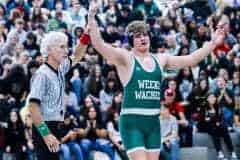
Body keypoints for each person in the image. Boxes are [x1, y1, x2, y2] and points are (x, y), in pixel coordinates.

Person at [87, 2, 225, 160]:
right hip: (132, 122)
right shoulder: (126, 58)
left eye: (145, 34)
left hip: (153, 123)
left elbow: (191, 59)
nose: (143, 38)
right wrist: (91, 17)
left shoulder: (161, 59)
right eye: (138, 36)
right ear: (131, 41)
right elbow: (99, 45)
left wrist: (212, 43)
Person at [27, 30, 90, 160]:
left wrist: (87, 33)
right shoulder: (42, 74)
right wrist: (46, 134)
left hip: (56, 126)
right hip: (44, 127)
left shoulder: (60, 68)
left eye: (66, 46)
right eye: (62, 47)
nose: (66, 51)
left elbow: (77, 56)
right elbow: (33, 107)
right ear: (49, 50)